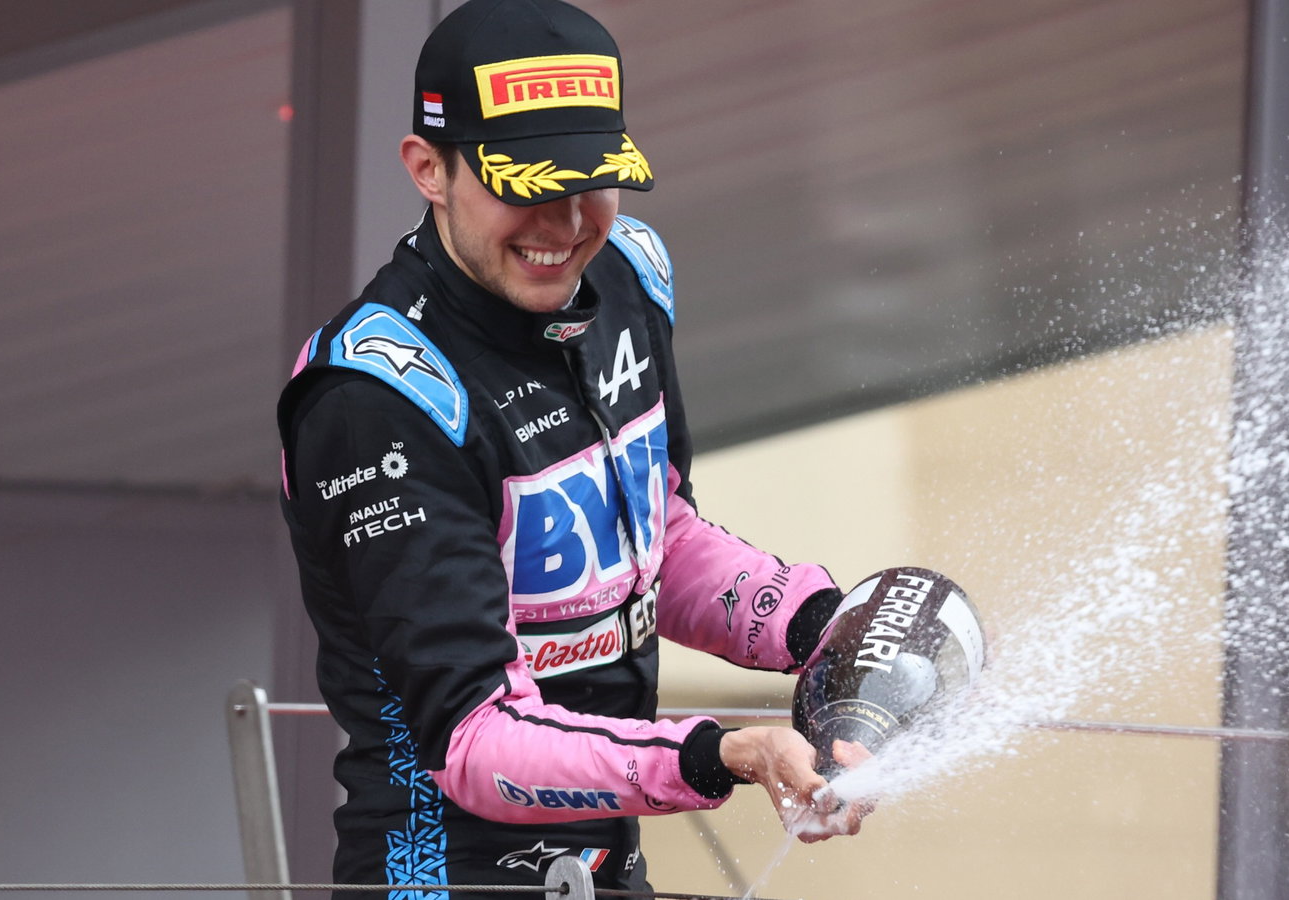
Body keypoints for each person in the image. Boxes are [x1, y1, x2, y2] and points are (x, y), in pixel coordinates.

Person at [276, 1, 870, 895]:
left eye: (590, 181)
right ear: (428, 169)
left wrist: (820, 629)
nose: (563, 226)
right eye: (525, 186)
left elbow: (649, 538)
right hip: (442, 876)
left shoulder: (629, 271)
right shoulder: (374, 397)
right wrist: (723, 752)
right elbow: (476, 741)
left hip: (602, 865)